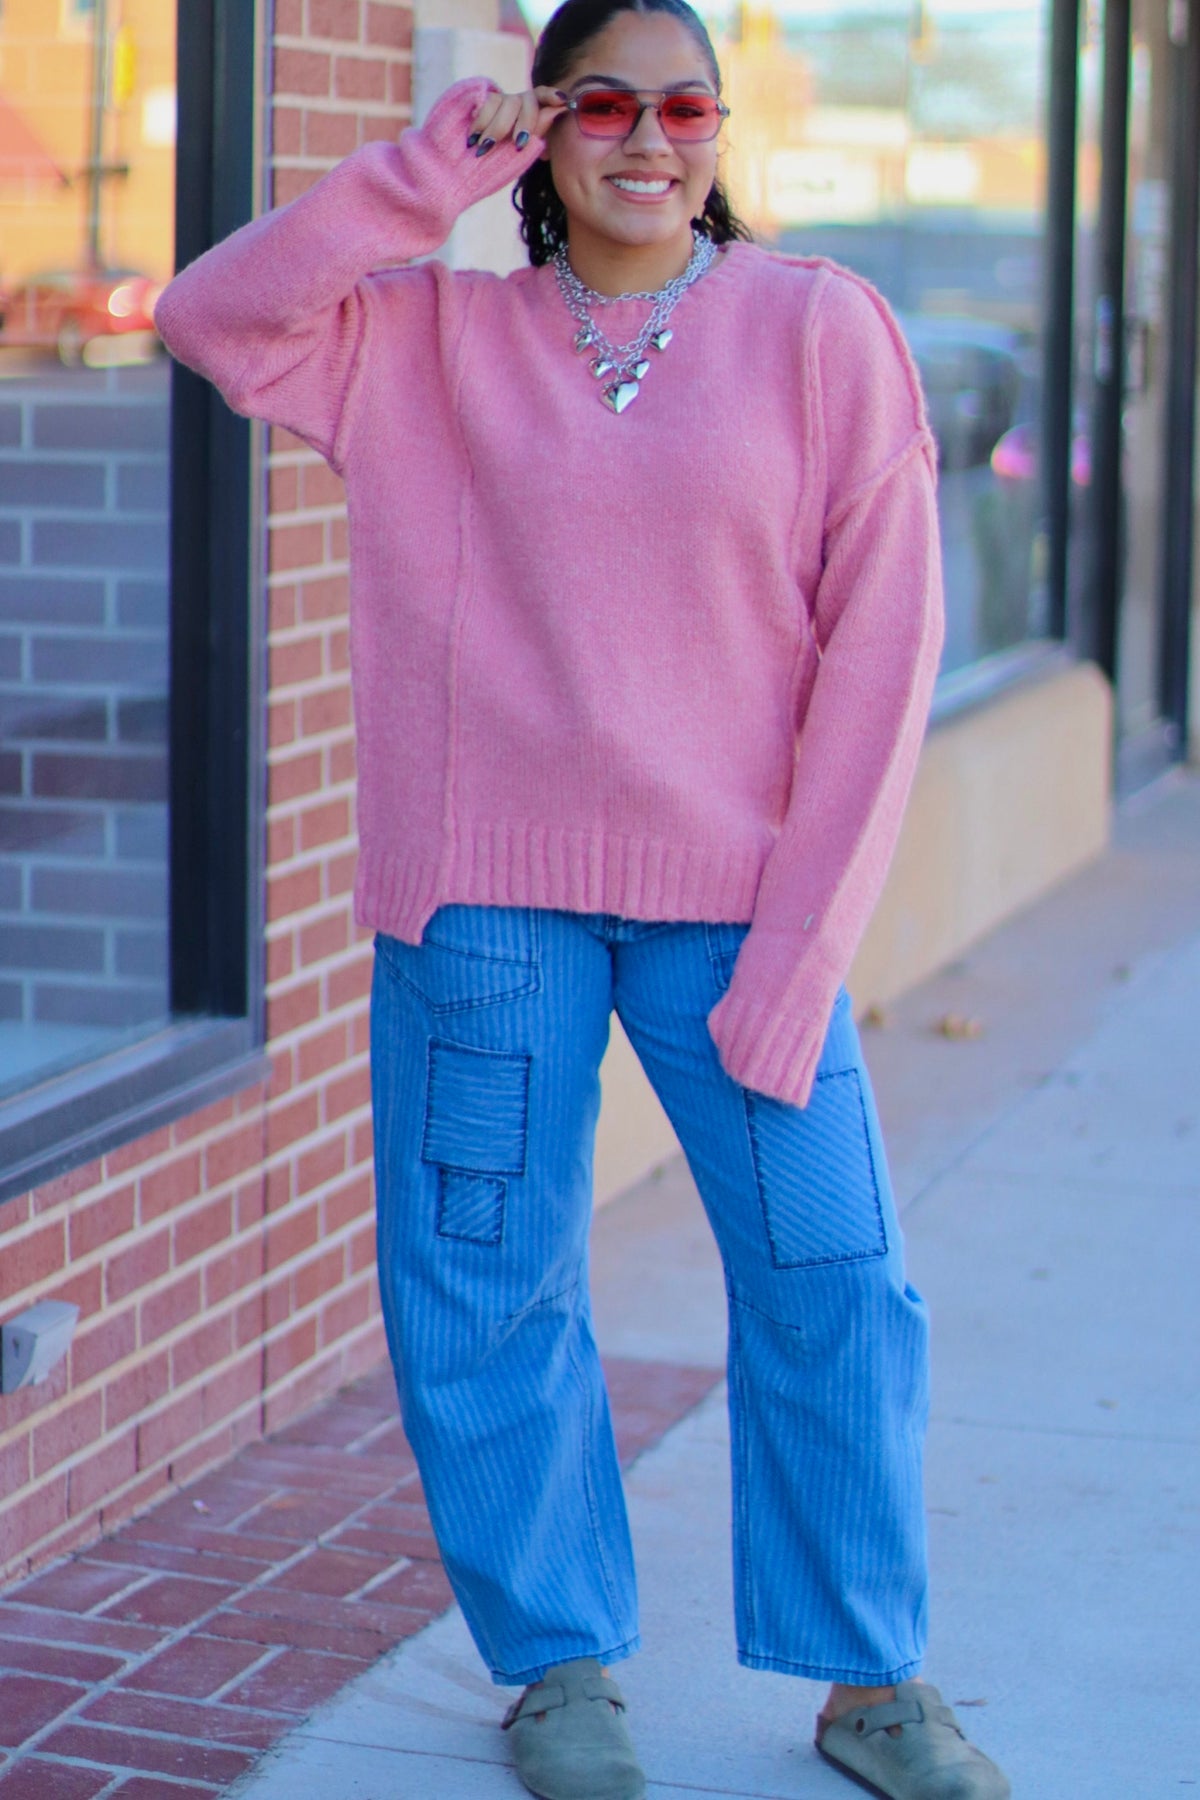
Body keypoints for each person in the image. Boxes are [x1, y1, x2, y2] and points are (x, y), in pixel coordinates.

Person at [154, 2, 1011, 1795]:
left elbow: (883, 657)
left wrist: (804, 948)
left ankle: (869, 1676)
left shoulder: (820, 332)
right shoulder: (427, 339)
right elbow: (212, 317)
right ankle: (558, 1665)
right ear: (545, 129)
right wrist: (422, 173)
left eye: (683, 102)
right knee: (486, 1281)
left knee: (836, 1275)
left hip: (738, 909)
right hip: (485, 905)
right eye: (601, 100)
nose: (647, 135)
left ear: (720, 127)